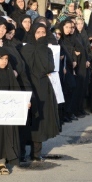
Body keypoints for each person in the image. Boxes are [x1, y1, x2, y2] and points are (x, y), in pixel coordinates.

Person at [20, 23, 60, 161]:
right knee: (27, 118)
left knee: (41, 120)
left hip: (43, 87)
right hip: (28, 86)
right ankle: (21, 152)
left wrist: (42, 48)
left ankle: (36, 153)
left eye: (43, 32)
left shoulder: (47, 50)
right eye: (38, 32)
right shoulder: (26, 49)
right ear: (33, 33)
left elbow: (49, 67)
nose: (41, 35)